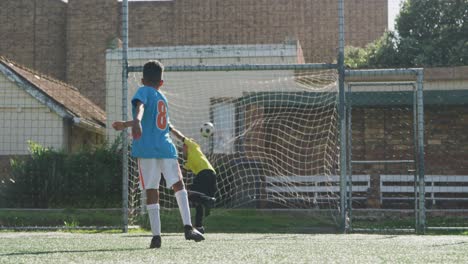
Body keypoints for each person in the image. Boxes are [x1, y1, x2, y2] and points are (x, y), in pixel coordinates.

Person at [112, 60, 204, 249]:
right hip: (165, 148)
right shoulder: (162, 98)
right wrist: (128, 124)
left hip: (146, 149)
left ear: (143, 80)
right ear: (161, 83)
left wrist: (135, 121)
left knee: (152, 189)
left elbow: (141, 109)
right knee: (178, 184)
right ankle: (188, 227)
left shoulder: (143, 91)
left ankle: (156, 236)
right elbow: (158, 123)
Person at [170, 129, 217, 234]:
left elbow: (180, 136)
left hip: (204, 174)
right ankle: (199, 226)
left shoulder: (192, 145)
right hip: (211, 175)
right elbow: (181, 173)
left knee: (188, 194)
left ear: (186, 146)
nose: (183, 151)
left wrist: (170, 128)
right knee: (197, 202)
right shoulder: (189, 162)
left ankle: (208, 200)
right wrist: (171, 180)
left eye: (183, 148)